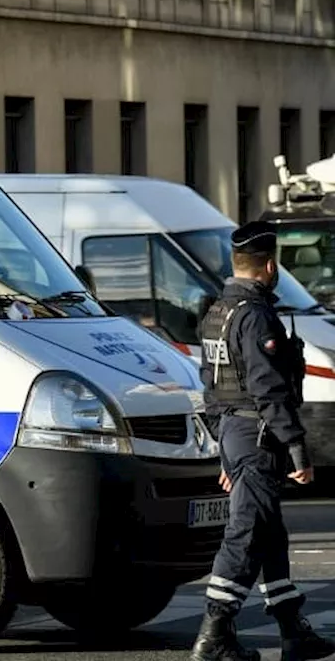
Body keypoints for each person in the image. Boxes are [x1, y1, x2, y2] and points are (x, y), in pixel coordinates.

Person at [192, 220, 335, 661]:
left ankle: (293, 629)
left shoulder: (217, 312)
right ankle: (214, 635)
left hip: (236, 436)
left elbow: (212, 389)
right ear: (269, 265)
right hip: (259, 437)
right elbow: (267, 389)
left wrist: (225, 455)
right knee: (246, 533)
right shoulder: (255, 316)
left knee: (270, 535)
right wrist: (297, 449)